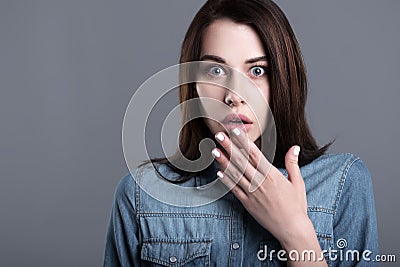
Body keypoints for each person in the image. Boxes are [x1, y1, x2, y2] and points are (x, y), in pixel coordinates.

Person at [103, 0, 379, 266]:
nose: (235, 95)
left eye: (257, 71)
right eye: (215, 70)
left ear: (283, 80)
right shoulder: (141, 196)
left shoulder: (343, 183)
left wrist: (297, 233)